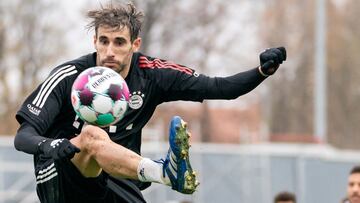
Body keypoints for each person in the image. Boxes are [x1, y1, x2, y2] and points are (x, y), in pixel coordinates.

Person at [14, 2, 287, 203]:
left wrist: (262, 71)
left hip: (119, 179)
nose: (110, 51)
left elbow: (220, 88)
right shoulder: (69, 76)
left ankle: (160, 172)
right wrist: (50, 145)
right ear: (94, 41)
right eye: (104, 41)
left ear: (135, 44)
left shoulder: (152, 74)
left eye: (119, 42)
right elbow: (24, 136)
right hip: (60, 176)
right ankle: (164, 172)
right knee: (91, 136)